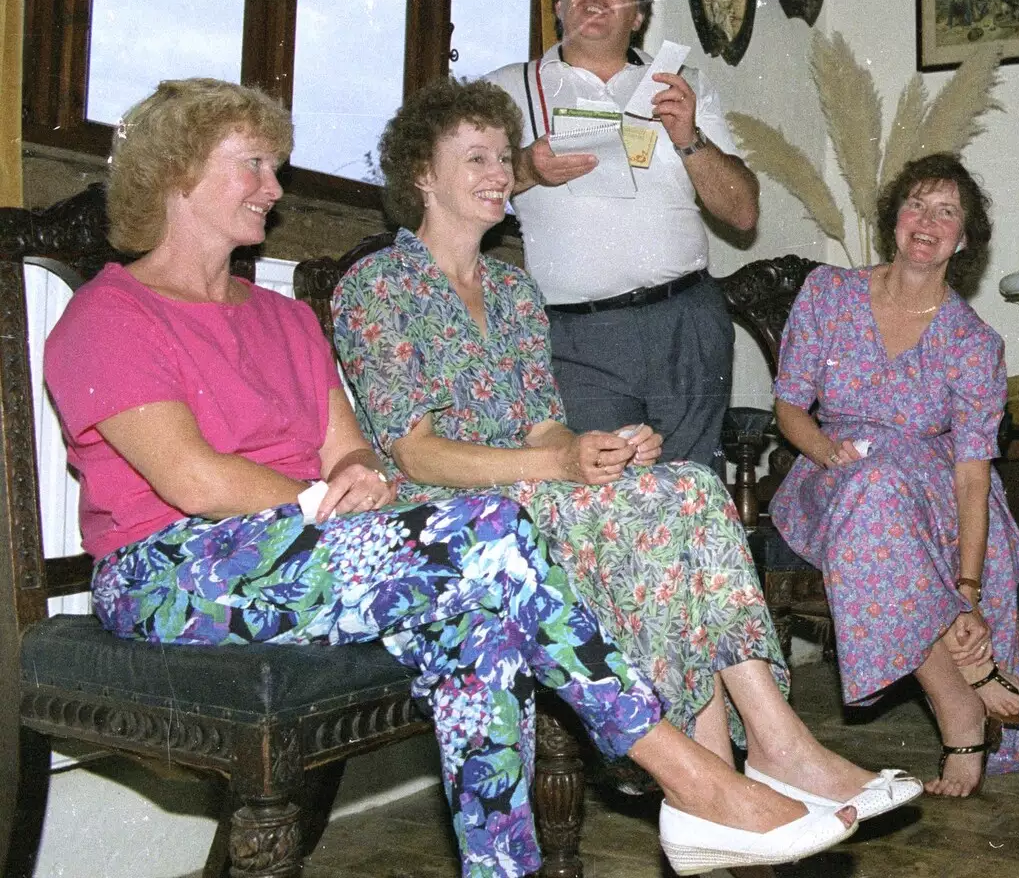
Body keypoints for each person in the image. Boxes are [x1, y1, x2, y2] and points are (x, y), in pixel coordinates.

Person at [44, 77, 858, 878]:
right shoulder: (112, 315)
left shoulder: (285, 317)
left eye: (275, 167)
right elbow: (193, 480)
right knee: (495, 532)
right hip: (175, 570)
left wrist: (355, 477)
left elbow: (350, 449)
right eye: (253, 165)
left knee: (482, 628)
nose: (274, 186)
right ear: (178, 174)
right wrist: (331, 502)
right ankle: (696, 779)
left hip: (308, 542)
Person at [332, 76, 921, 830]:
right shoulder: (378, 286)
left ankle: (771, 743)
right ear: (421, 175)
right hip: (448, 517)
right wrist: (557, 465)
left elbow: (546, 428)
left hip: (532, 490)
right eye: (474, 158)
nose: (497, 174)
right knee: (653, 513)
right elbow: (414, 453)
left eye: (500, 158)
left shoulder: (513, 291)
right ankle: (716, 779)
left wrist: (596, 449)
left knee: (685, 486)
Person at [769, 153, 1019, 798]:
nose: (928, 221)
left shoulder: (975, 343)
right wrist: (829, 454)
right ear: (894, 220)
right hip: (832, 470)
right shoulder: (829, 292)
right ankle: (961, 702)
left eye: (948, 213)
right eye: (917, 204)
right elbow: (790, 406)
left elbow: (972, 474)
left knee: (885, 491)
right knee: (871, 489)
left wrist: (967, 588)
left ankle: (960, 666)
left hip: (937, 490)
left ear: (963, 241)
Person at [481, 0, 758, 469]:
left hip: (687, 323)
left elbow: (743, 213)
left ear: (638, 17)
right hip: (577, 337)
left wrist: (689, 137)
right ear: (559, 5)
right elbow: (457, 188)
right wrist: (525, 168)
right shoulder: (506, 89)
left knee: (693, 490)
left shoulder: (682, 84)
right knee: (600, 493)